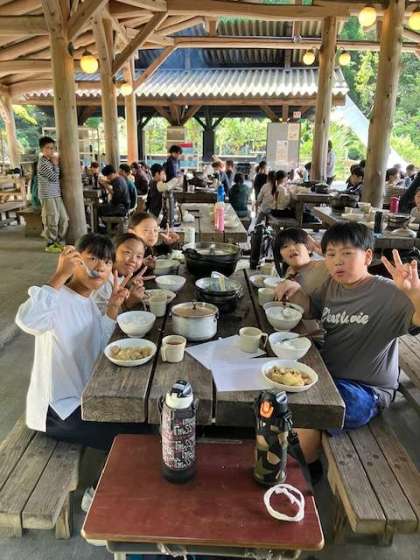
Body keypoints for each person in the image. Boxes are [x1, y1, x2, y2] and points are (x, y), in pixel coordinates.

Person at [274, 222, 420, 467]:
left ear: (368, 257)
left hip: (367, 390)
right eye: (331, 254)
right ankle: (295, 463)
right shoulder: (332, 286)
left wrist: (415, 294)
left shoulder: (388, 293)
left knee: (308, 412)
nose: (337, 262)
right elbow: (311, 309)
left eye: (347, 253)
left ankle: (305, 471)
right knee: (278, 394)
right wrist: (296, 289)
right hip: (328, 376)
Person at [15, 233, 151, 451]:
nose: (100, 267)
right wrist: (60, 275)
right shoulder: (56, 297)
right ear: (75, 261)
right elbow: (27, 321)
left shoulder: (87, 301)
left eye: (107, 262)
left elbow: (100, 344)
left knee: (145, 421)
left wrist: (113, 307)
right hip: (57, 410)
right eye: (92, 258)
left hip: (87, 396)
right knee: (136, 439)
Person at [93, 233, 147, 314]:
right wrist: (128, 303)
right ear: (111, 252)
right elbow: (99, 317)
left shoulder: (119, 274)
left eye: (139, 256)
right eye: (127, 252)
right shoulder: (102, 281)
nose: (133, 260)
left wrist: (128, 284)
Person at [273, 228, 328, 296]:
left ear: (308, 248)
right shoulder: (290, 271)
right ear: (282, 258)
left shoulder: (324, 267)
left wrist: (326, 253)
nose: (291, 248)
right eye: (285, 246)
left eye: (296, 243)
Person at [37, 136, 69, 253]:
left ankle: (57, 241)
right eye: (48, 148)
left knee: (64, 219)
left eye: (52, 148)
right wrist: (55, 165)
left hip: (56, 194)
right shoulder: (43, 163)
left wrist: (54, 164)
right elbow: (54, 177)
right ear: (42, 150)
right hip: (47, 195)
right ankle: (50, 243)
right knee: (52, 219)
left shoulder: (49, 161)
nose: (51, 150)